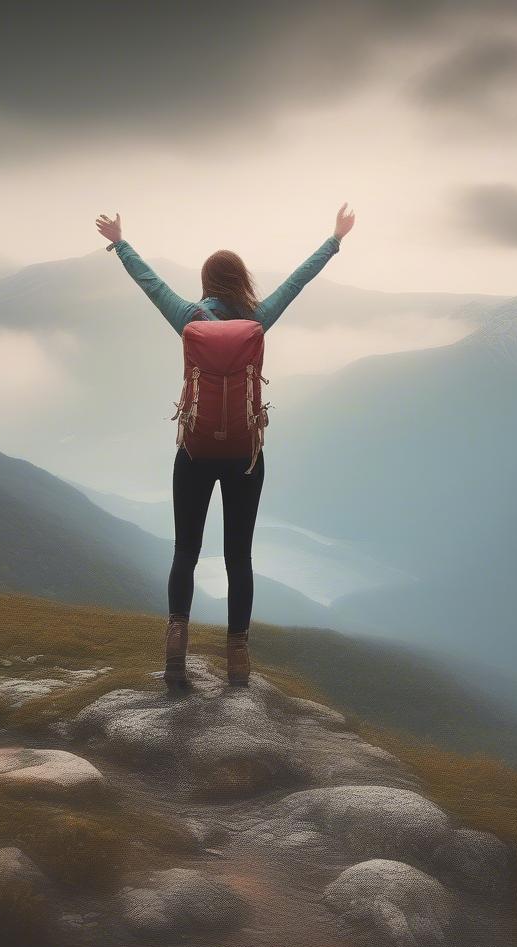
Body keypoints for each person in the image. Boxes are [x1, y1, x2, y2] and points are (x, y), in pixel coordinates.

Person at [96, 203, 356, 693]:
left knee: (185, 552)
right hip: (244, 457)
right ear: (239, 281)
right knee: (239, 557)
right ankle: (238, 653)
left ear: (206, 282)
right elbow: (297, 283)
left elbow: (150, 284)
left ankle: (176, 640)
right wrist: (334, 239)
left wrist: (120, 242)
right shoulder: (256, 321)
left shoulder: (189, 319)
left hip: (194, 453)